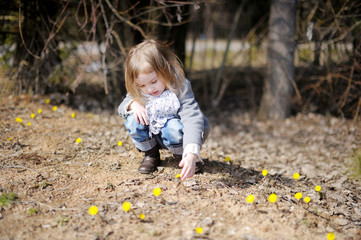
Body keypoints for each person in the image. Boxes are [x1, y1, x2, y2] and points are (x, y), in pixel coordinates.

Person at [118, 39, 210, 181]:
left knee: (172, 126)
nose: (149, 89)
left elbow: (192, 118)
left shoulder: (179, 87)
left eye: (154, 81)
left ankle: (182, 155)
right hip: (156, 136)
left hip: (180, 134)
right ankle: (151, 154)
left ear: (165, 69)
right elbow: (122, 107)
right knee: (133, 120)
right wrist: (133, 104)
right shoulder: (142, 90)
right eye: (142, 85)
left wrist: (191, 152)